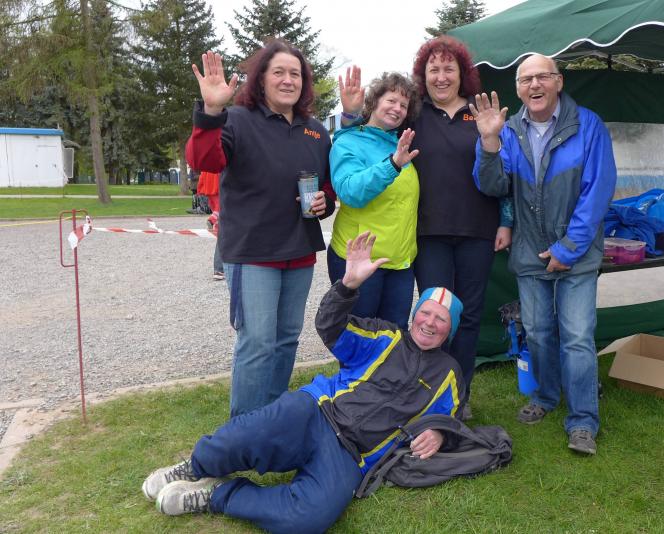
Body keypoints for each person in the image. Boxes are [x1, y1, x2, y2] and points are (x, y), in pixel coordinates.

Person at [141, 231, 465, 533]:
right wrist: (347, 286)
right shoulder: (386, 336)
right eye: (425, 312)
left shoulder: (449, 375)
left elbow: (453, 421)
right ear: (415, 314)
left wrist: (439, 434)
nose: (429, 322)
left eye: (441, 318)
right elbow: (329, 326)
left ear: (450, 329)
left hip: (351, 457)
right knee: (249, 433)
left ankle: (217, 494)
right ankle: (195, 466)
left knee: (308, 518)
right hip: (316, 412)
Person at [338, 39, 513, 416]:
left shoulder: (480, 112)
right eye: (434, 69)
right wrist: (350, 114)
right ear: (424, 74)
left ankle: (459, 394)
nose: (441, 76)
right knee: (432, 316)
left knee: (468, 315)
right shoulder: (415, 114)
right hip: (429, 234)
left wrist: (506, 220)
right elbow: (373, 131)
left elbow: (505, 172)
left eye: (449, 69)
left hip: (478, 230)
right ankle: (428, 392)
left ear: (462, 74)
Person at [471, 54, 617, 455]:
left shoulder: (588, 125)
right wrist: (488, 142)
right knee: (536, 331)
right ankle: (547, 395)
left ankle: (583, 420)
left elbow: (598, 190)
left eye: (542, 77)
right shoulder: (509, 130)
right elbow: (492, 186)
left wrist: (568, 248)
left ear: (559, 82)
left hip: (576, 252)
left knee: (576, 337)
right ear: (518, 89)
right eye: (526, 80)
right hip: (528, 252)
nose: (534, 85)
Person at [185, 41, 337, 418]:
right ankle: (244, 431)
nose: (288, 80)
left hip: (299, 252)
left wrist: (325, 201)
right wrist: (212, 110)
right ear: (261, 79)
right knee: (257, 343)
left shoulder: (316, 132)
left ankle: (270, 421)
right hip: (252, 253)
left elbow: (327, 186)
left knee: (286, 341)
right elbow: (204, 160)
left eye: (295, 74)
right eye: (278, 72)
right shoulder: (237, 120)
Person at [327, 72, 420, 328]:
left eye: (404, 105)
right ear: (374, 102)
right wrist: (392, 165)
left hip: (399, 262)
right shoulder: (349, 141)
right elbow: (350, 192)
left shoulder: (400, 143)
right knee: (358, 335)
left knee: (393, 336)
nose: (397, 108)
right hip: (360, 261)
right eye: (391, 100)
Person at [197, 170, 224, 280]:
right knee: (224, 226)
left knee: (219, 213)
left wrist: (200, 189)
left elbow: (202, 175)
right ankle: (213, 219)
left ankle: (214, 219)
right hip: (219, 188)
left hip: (208, 189)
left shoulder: (208, 164)